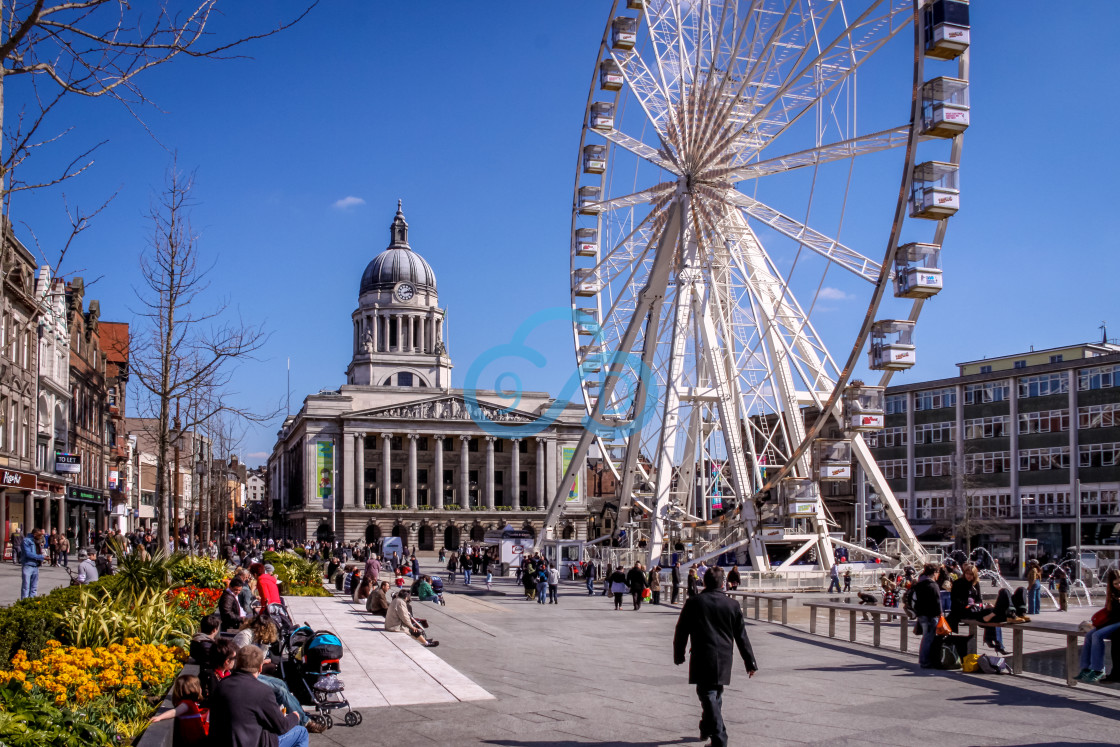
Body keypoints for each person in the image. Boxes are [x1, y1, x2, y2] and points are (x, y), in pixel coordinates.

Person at [673, 567, 757, 747]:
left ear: (704, 582)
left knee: (708, 694)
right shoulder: (732, 605)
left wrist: (679, 654)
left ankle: (719, 739)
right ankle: (705, 728)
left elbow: (681, 630)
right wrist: (750, 662)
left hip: (702, 655)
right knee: (715, 693)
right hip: (725, 657)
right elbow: (741, 636)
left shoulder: (694, 602)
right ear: (723, 582)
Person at [208, 645, 308, 747]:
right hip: (252, 742)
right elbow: (282, 727)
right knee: (301, 732)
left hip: (222, 742)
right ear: (260, 667)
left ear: (237, 664)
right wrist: (295, 716)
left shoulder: (221, 685)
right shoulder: (263, 691)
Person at [1076, 569, 1120, 682]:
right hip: (1114, 622)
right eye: (1115, 584)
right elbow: (1111, 613)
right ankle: (1085, 668)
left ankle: (1098, 670)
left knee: (1097, 635)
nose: (1118, 585)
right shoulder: (1113, 594)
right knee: (1090, 634)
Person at [149, 674, 209, 744]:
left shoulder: (191, 703)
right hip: (192, 739)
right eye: (199, 687)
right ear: (192, 690)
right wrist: (160, 717)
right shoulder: (186, 704)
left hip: (196, 738)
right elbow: (174, 712)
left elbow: (191, 717)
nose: (201, 689)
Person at [911, 563, 943, 669]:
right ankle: (925, 661)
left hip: (921, 614)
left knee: (925, 637)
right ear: (934, 573)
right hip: (931, 615)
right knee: (929, 638)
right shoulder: (933, 585)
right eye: (938, 572)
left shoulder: (920, 584)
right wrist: (940, 613)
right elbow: (937, 601)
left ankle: (923, 659)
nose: (938, 574)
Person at [20, 528, 45, 599]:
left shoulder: (36, 541)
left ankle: (32, 602)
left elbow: (37, 551)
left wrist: (42, 557)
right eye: (39, 535)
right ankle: (24, 603)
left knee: (34, 587)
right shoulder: (26, 541)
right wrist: (41, 557)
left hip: (36, 565)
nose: (41, 537)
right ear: (35, 534)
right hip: (28, 565)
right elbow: (28, 554)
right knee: (26, 586)